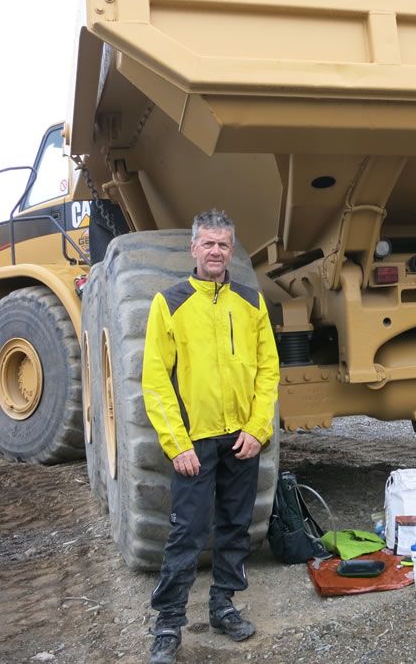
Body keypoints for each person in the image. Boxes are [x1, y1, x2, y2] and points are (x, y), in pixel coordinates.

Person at [141, 209, 280, 664]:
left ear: (230, 250)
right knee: (188, 531)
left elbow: (268, 372)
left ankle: (223, 606)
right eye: (208, 243)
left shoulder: (251, 302)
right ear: (194, 248)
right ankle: (168, 624)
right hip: (195, 442)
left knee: (235, 527)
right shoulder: (171, 302)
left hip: (243, 437)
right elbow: (155, 379)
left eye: (224, 244)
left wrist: (258, 430)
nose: (216, 251)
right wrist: (176, 443)